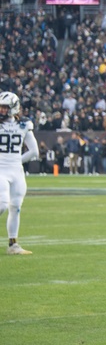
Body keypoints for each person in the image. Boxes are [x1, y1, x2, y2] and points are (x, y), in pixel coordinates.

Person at [0, 92, 39, 255]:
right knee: (2, 204)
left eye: (4, 107)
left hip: (16, 170)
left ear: (14, 108)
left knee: (15, 207)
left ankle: (13, 244)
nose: (2, 110)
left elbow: (34, 151)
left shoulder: (23, 125)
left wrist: (17, 161)